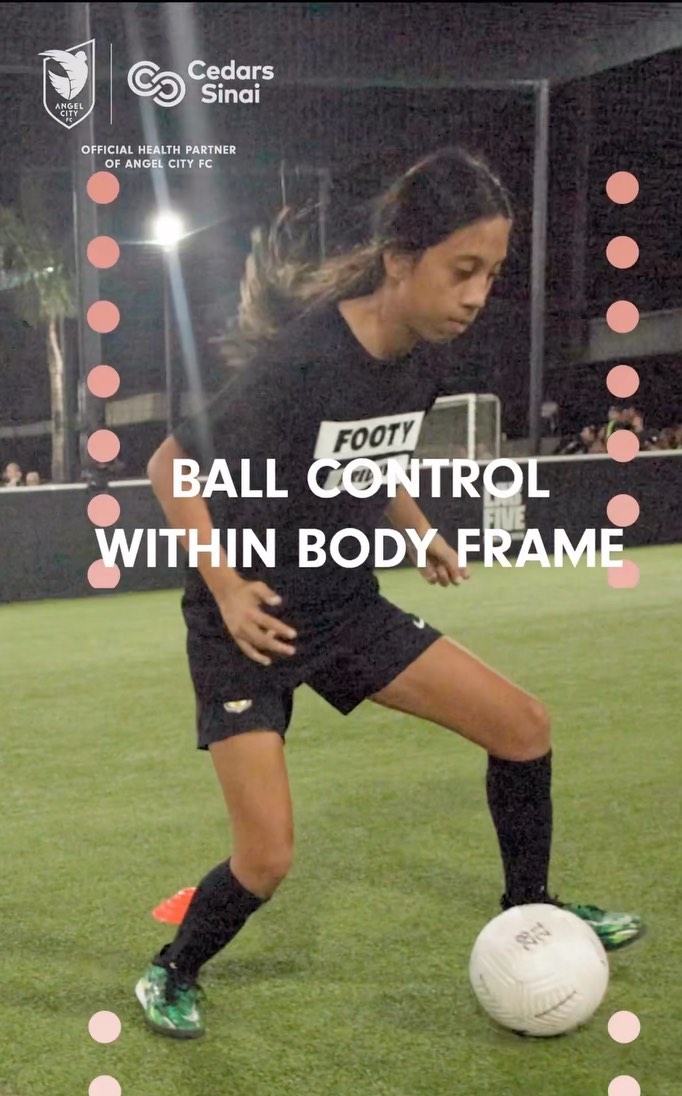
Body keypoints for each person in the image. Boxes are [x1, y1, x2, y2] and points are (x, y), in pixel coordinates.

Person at [135, 148, 645, 1040]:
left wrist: (419, 531)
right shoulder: (303, 359)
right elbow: (170, 465)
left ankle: (532, 910)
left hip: (344, 607)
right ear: (401, 260)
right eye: (462, 269)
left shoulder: (422, 352)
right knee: (267, 856)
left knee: (523, 726)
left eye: (491, 273)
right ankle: (172, 969)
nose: (477, 294)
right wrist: (226, 588)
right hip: (249, 624)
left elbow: (370, 454)